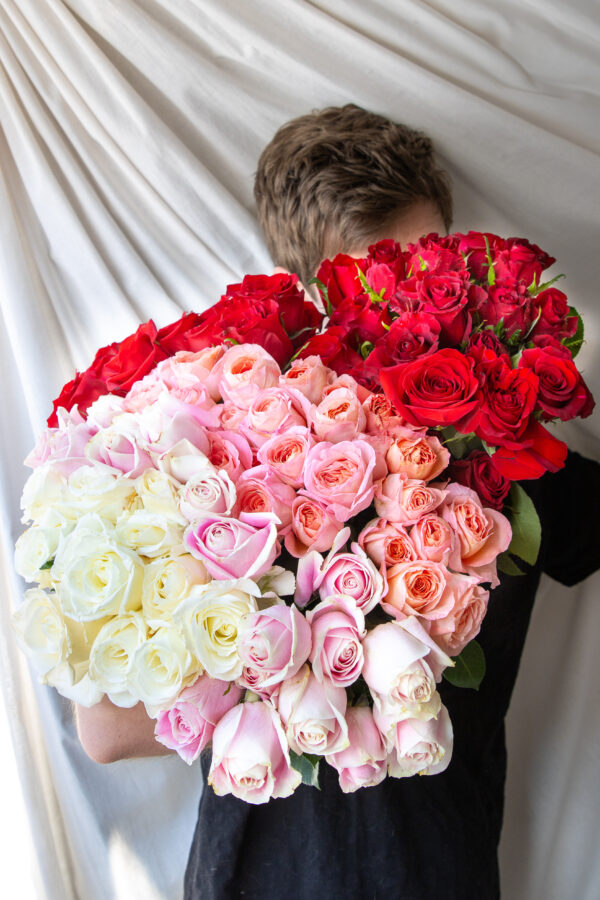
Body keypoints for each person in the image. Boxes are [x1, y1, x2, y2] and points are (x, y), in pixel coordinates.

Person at [76, 104, 600, 899]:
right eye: (378, 282)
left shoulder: (510, 448)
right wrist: (307, 673)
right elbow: (107, 731)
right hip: (255, 876)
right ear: (310, 290)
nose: (413, 309)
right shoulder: (224, 448)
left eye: (431, 270)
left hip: (438, 874)